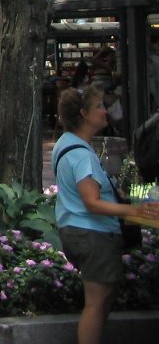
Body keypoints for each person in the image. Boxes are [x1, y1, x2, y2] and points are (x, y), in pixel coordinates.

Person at [54, 86, 159, 344]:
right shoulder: (81, 155)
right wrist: (132, 210)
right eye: (99, 106)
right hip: (93, 234)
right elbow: (92, 202)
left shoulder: (67, 144)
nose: (105, 111)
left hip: (81, 231)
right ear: (83, 114)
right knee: (96, 304)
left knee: (101, 300)